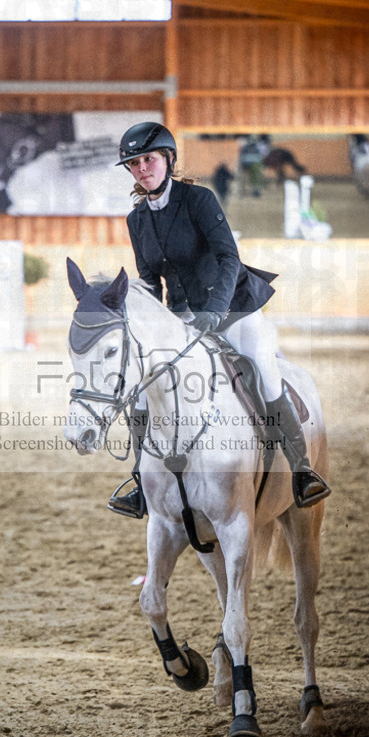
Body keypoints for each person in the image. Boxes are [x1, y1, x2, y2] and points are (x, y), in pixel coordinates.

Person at [107, 120, 330, 519]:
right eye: (135, 163)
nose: (142, 168)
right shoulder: (136, 220)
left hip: (234, 307)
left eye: (149, 159)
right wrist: (152, 326)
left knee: (263, 368)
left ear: (168, 160)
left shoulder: (200, 200)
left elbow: (228, 258)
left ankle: (301, 472)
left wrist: (215, 310)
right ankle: (141, 484)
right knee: (143, 388)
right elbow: (148, 279)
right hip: (182, 319)